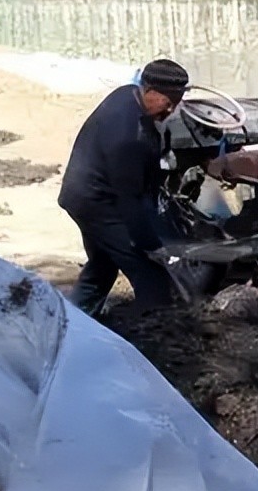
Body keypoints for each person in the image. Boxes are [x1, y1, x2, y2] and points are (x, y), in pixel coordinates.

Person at [57, 58, 189, 317]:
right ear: (149, 90)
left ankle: (74, 322)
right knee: (150, 276)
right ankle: (153, 338)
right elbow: (129, 200)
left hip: (84, 193)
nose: (171, 109)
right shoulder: (128, 135)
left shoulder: (127, 96)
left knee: (103, 265)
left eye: (177, 101)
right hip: (95, 201)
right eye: (168, 100)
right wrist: (151, 245)